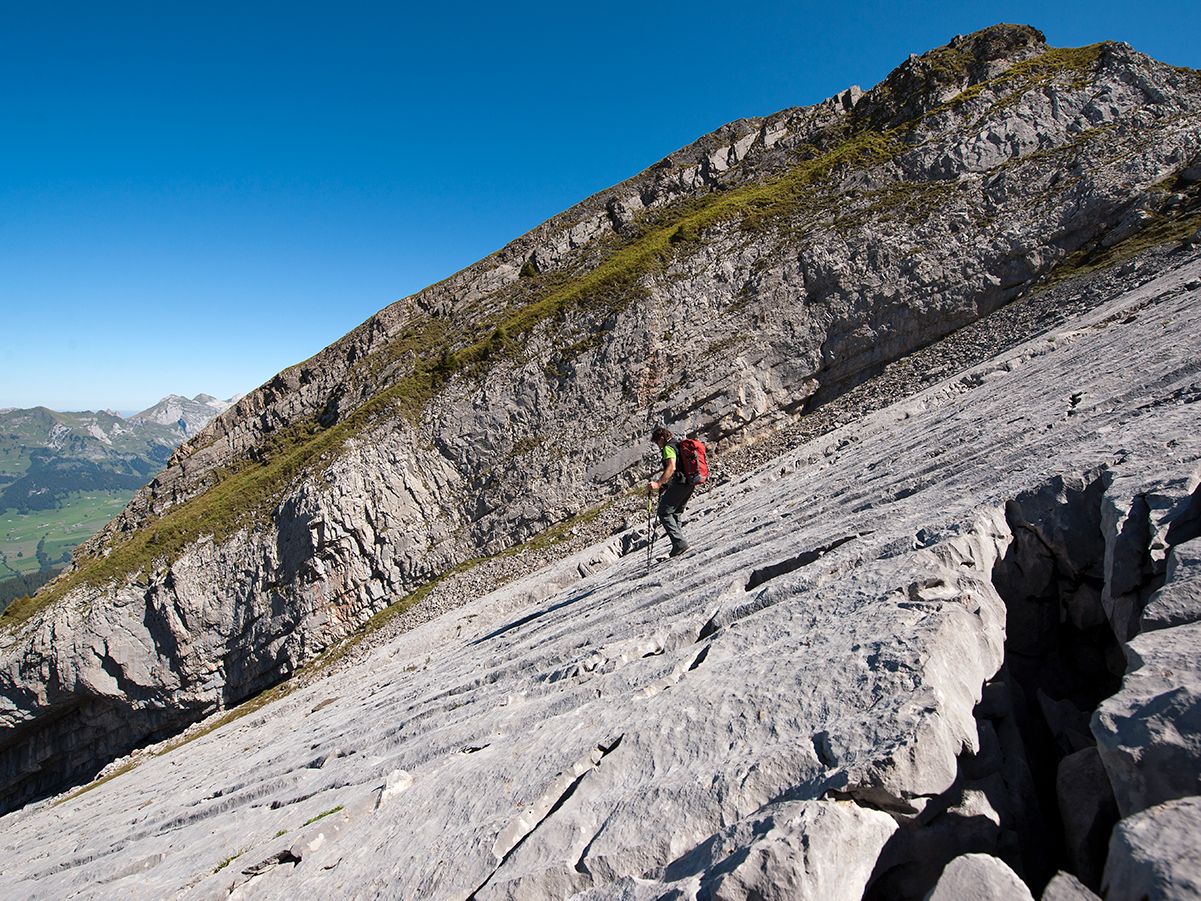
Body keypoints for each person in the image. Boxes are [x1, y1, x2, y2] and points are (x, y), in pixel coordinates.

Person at [648, 426, 693, 557]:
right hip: (689, 483)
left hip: (680, 484)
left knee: (664, 512)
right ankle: (679, 543)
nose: (658, 445)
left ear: (662, 438)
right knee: (676, 512)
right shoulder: (677, 444)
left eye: (657, 442)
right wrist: (665, 485)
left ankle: (679, 543)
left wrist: (658, 483)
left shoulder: (668, 448)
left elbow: (671, 467)